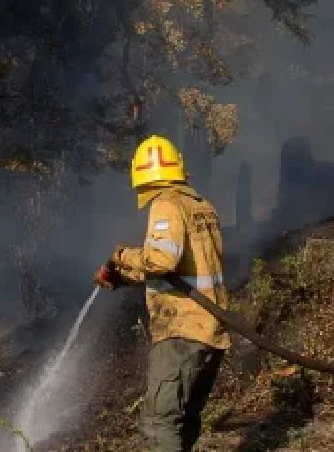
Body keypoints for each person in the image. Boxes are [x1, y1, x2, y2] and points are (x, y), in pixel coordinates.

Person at [94, 135, 230, 452]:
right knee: (183, 420)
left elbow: (161, 259)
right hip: (210, 328)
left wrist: (121, 256)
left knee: (158, 422)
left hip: (181, 330)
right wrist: (122, 277)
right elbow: (178, 270)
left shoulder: (166, 204)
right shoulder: (201, 206)